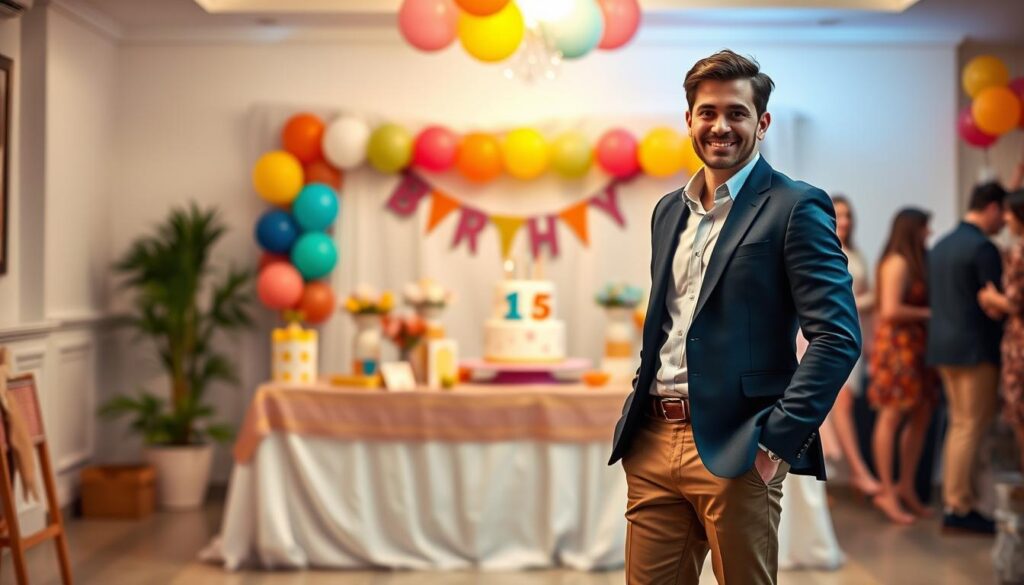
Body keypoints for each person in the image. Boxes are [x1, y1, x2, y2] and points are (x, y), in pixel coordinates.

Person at [608, 50, 860, 585]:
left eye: (737, 113)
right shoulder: (668, 210)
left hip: (741, 448)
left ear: (762, 123)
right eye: (708, 112)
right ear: (689, 120)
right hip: (653, 441)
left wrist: (774, 443)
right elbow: (670, 324)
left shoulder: (795, 206)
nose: (720, 126)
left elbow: (837, 337)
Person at [928, 181, 1007, 535]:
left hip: (944, 348)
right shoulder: (983, 248)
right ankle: (958, 507)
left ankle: (959, 501)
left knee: (960, 425)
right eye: (1002, 214)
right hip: (976, 350)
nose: (1004, 222)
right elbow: (993, 305)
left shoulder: (941, 245)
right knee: (970, 426)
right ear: (992, 208)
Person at [866, 208, 937, 525]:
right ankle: (887, 491)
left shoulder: (912, 261)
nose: (929, 233)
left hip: (914, 347)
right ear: (913, 229)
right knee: (891, 416)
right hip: (898, 348)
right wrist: (929, 314)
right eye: (925, 227)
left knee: (921, 413)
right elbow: (891, 310)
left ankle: (905, 485)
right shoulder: (897, 262)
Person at [829, 195, 881, 497]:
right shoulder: (823, 249)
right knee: (842, 402)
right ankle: (858, 472)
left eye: (848, 215)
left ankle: (851, 474)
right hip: (833, 335)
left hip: (855, 334)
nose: (845, 221)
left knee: (844, 404)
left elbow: (868, 296)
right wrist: (864, 300)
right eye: (839, 215)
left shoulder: (855, 253)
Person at [977, 189, 1024, 474]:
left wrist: (992, 299)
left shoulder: (1019, 251)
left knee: (1019, 416)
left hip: (1019, 346)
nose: (1005, 219)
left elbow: (1016, 303)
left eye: (1009, 213)